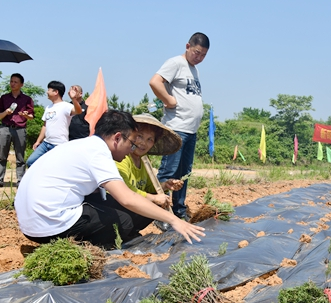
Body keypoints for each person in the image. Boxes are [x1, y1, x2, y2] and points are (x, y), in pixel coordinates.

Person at [14, 110, 205, 249]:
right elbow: (127, 198)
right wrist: (174, 220)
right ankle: (85, 247)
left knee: (114, 210)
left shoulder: (83, 145)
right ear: (117, 138)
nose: (132, 148)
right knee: (123, 222)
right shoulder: (99, 153)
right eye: (131, 143)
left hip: (30, 224)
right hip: (48, 226)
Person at [86, 113, 184, 234]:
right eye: (140, 137)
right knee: (146, 206)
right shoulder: (122, 158)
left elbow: (148, 187)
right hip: (112, 202)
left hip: (128, 203)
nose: (143, 143)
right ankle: (120, 231)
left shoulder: (144, 161)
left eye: (150, 139)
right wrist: (153, 198)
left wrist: (165, 186)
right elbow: (125, 190)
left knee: (159, 202)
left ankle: (130, 230)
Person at [149, 32, 209, 220]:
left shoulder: (194, 70)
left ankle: (179, 210)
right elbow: (155, 81)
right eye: (197, 53)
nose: (199, 58)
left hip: (191, 130)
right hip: (176, 128)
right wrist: (168, 99)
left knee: (184, 174)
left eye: (203, 55)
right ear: (187, 46)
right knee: (169, 172)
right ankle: (160, 213)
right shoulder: (176, 63)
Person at [26, 81, 82, 167]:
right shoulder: (48, 107)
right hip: (46, 143)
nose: (47, 92)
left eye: (49, 90)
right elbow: (45, 125)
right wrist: (38, 141)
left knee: (55, 166)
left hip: (59, 144)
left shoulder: (66, 106)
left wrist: (74, 99)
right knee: (31, 161)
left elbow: (78, 111)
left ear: (56, 92)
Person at [0, 73, 34, 187]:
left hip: (20, 129)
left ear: (21, 84)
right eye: (11, 81)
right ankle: (0, 180)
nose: (12, 84)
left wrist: (25, 115)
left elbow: (31, 116)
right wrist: (6, 112)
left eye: (15, 82)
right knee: (1, 156)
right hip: (5, 128)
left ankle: (20, 181)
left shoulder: (27, 99)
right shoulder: (4, 98)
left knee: (20, 157)